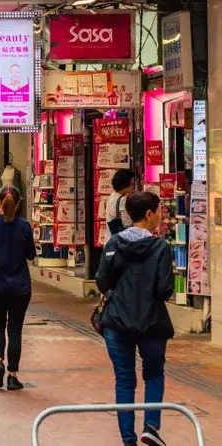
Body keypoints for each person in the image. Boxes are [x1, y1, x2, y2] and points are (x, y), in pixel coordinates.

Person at [96, 190, 174, 446]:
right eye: (160, 210)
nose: (161, 215)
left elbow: (101, 281)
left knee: (125, 378)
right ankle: (151, 426)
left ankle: (128, 439)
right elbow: (164, 290)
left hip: (117, 322)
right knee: (153, 374)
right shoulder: (161, 247)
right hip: (152, 323)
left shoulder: (114, 244)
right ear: (149, 214)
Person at [0, 185, 35, 391]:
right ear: (18, 204)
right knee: (15, 330)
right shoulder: (24, 226)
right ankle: (12, 374)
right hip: (20, 285)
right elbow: (31, 254)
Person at [105, 169, 136, 236]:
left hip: (110, 239)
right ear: (125, 184)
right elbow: (127, 224)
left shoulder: (112, 196)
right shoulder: (122, 200)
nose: (133, 187)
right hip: (120, 242)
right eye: (132, 184)